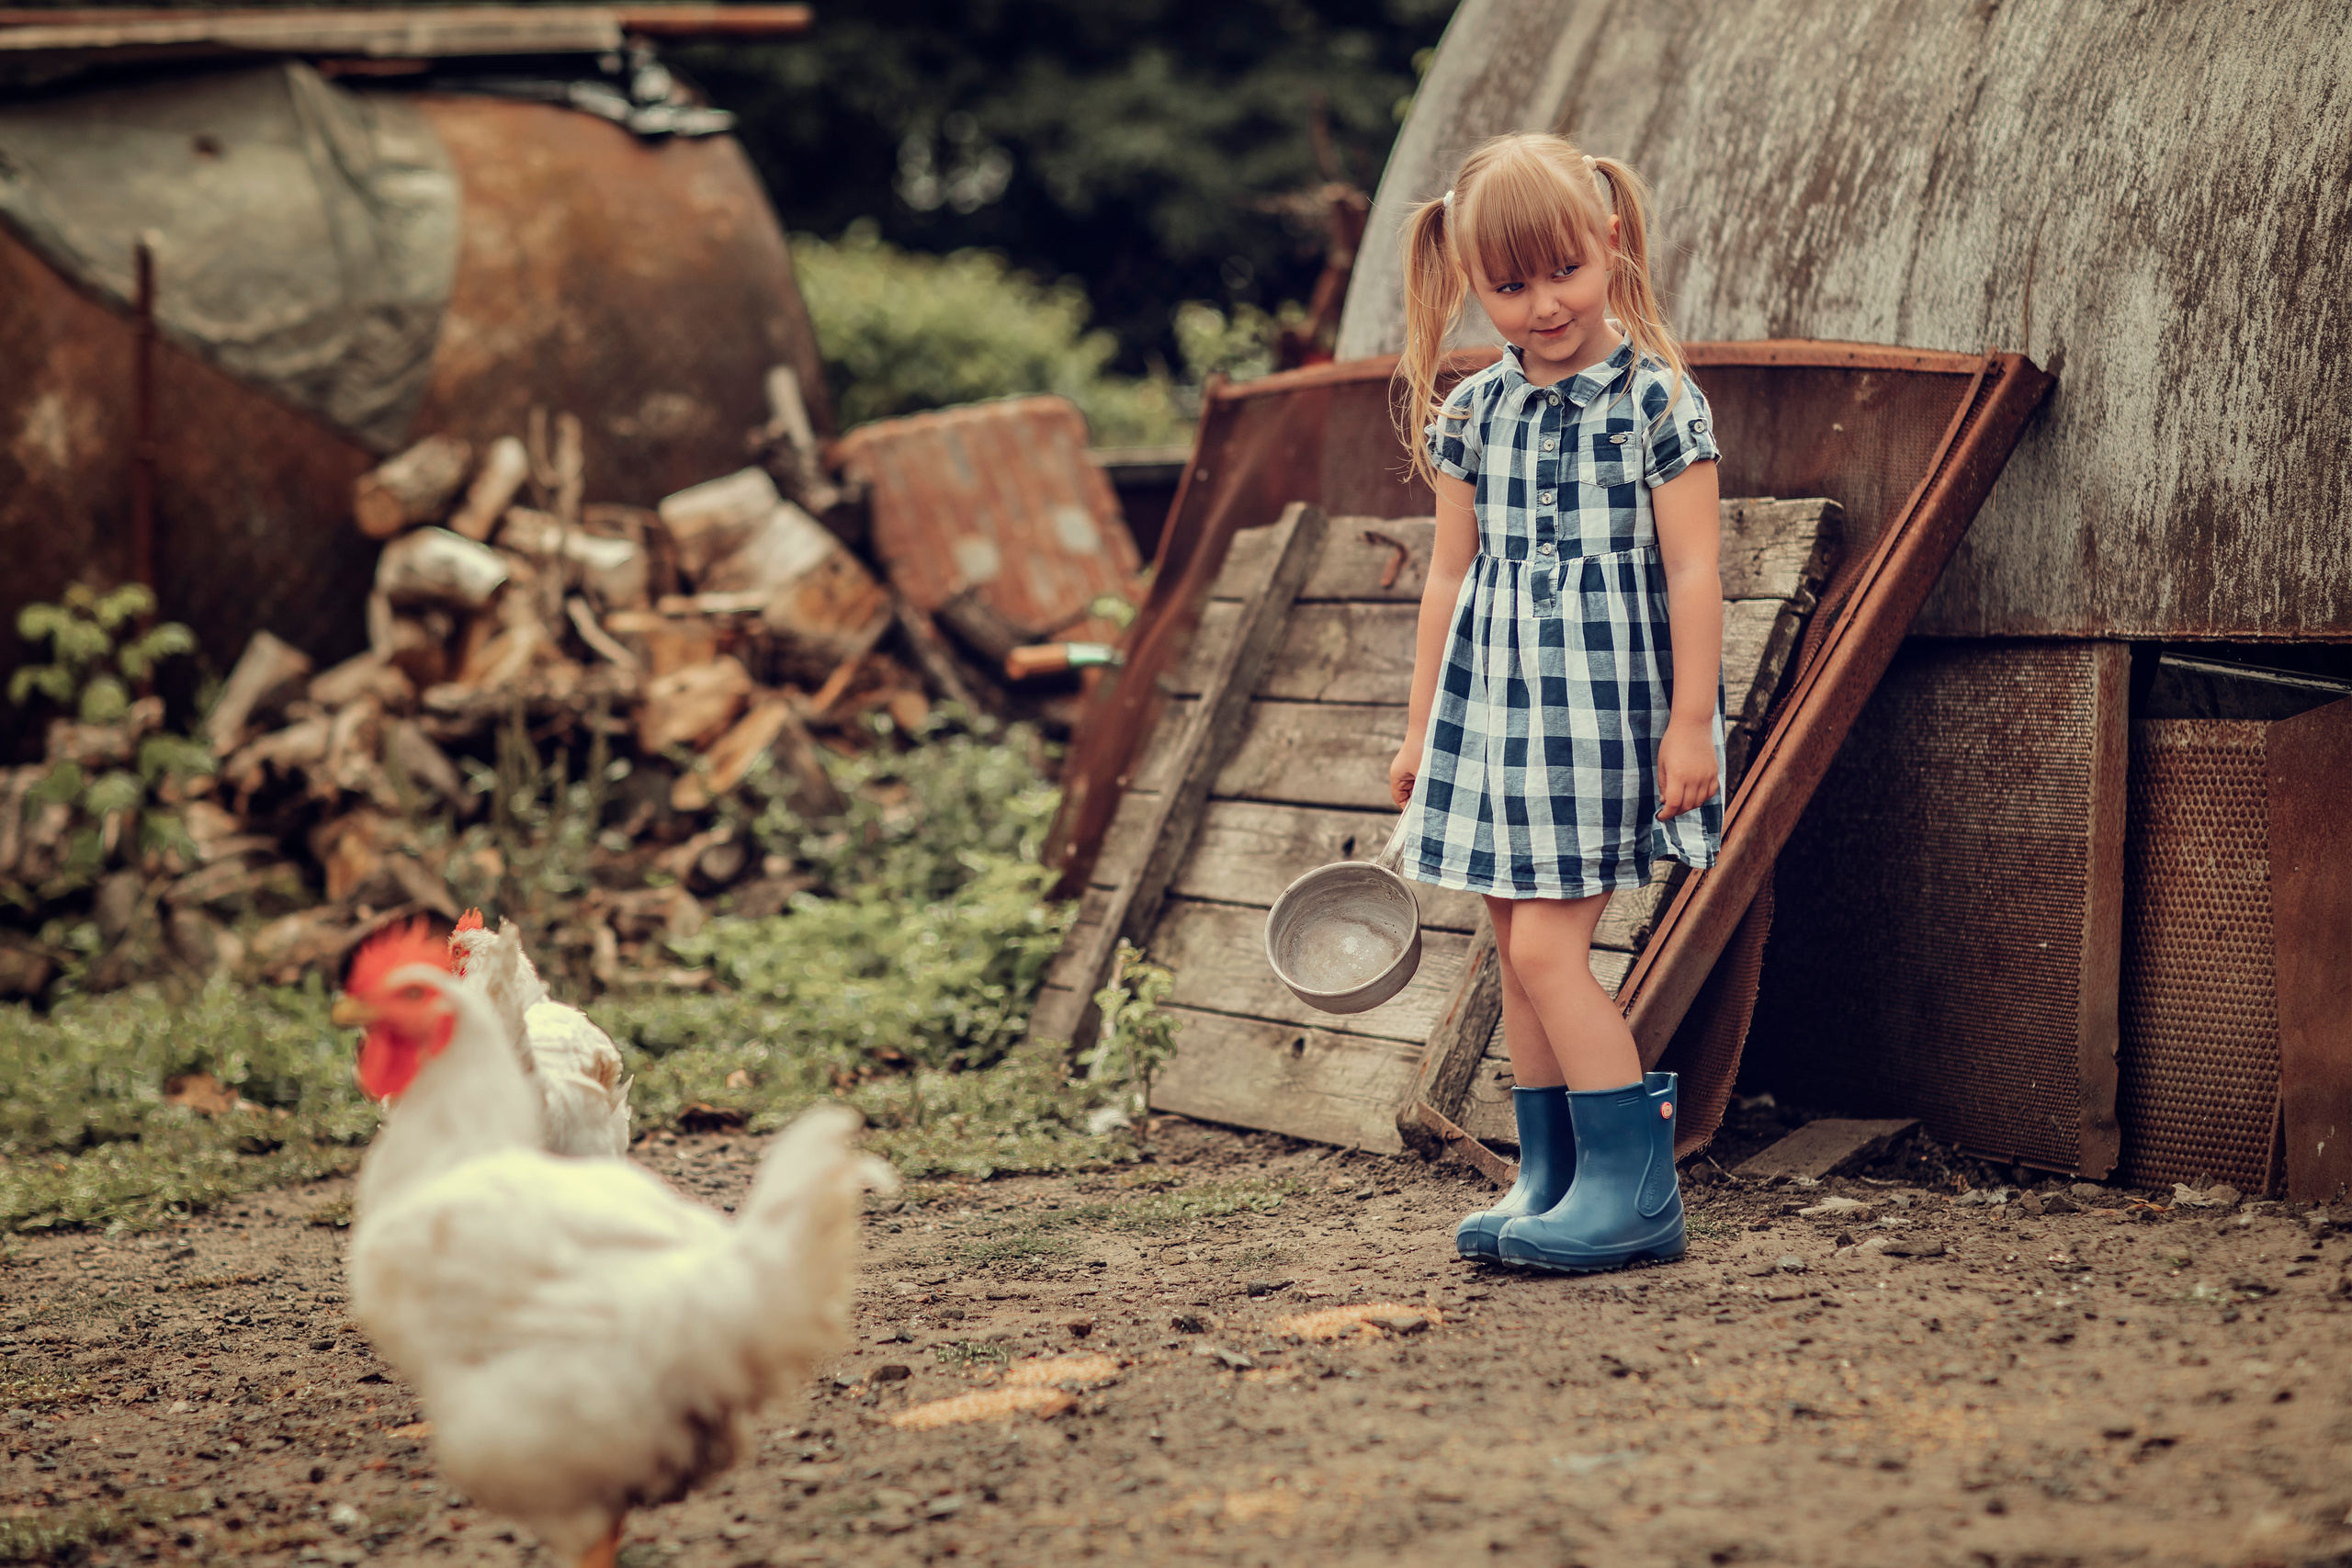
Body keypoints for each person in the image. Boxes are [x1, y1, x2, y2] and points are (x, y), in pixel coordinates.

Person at [1387, 131, 1723, 1274]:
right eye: (1509, 285)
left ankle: (1635, 1192)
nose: (1542, 306)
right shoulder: (1474, 415)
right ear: (1469, 284)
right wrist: (1422, 725)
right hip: (1493, 716)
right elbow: (1447, 575)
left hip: (1597, 712)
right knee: (1506, 936)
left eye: (1563, 272)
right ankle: (1554, 1173)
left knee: (1544, 951)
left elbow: (1692, 573)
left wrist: (1691, 723)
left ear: (1610, 242)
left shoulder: (1656, 402)